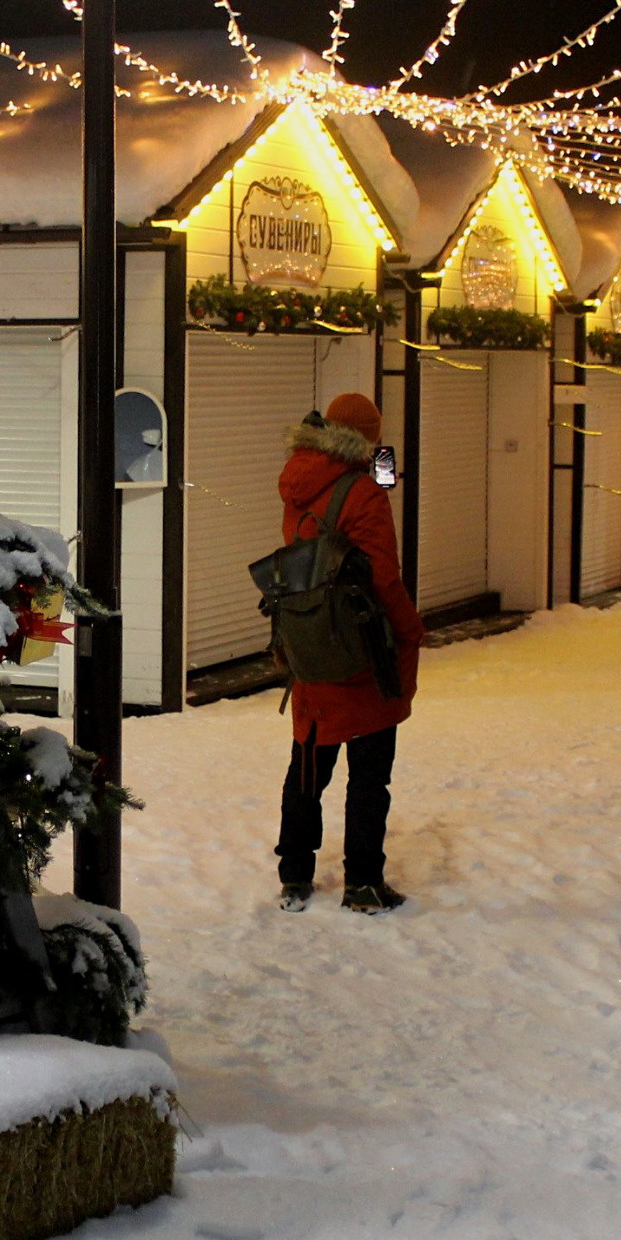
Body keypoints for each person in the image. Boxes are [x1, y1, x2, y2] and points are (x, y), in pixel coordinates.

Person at [273, 391, 424, 913]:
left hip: (313, 642)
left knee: (308, 765)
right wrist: (409, 631)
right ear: (367, 438)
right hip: (362, 650)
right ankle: (362, 882)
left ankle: (294, 873)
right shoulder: (364, 493)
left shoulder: (299, 482)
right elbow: (383, 576)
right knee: (369, 772)